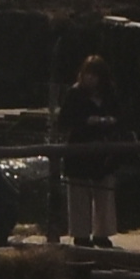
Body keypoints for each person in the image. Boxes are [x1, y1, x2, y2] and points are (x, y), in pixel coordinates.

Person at [54, 59, 121, 252]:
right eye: (86, 74)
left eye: (93, 74)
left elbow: (121, 118)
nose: (89, 78)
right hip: (79, 151)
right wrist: (86, 121)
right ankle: (81, 234)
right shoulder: (74, 94)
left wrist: (110, 121)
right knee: (79, 195)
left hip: (105, 151)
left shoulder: (110, 95)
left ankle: (102, 233)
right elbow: (64, 121)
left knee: (104, 194)